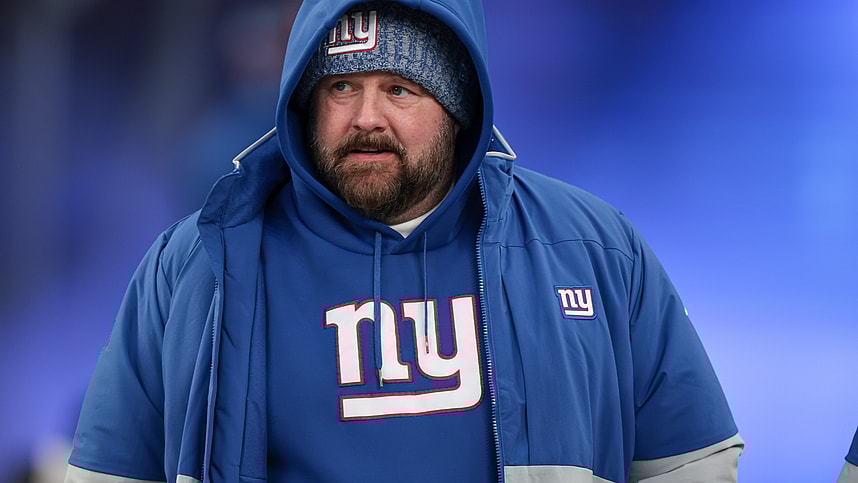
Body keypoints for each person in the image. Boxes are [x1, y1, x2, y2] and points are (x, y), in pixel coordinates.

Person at [65, 0, 743, 482]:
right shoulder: (193, 266)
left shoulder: (593, 250)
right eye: (342, 87)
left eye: (399, 87)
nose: (367, 117)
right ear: (306, 99)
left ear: (457, 103)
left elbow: (692, 462)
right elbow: (106, 470)